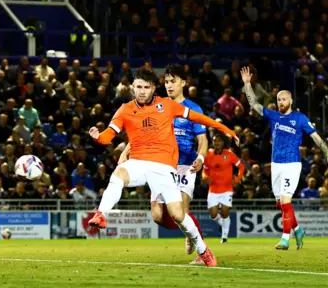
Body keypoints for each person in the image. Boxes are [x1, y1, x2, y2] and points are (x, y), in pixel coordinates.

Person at [88, 67, 238, 267]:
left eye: (146, 87)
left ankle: (203, 250)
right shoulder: (125, 109)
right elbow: (109, 134)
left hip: (164, 167)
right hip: (139, 162)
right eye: (138, 87)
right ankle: (101, 213)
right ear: (133, 87)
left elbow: (198, 118)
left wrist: (224, 129)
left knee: (177, 214)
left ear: (153, 89)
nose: (141, 91)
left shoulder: (167, 105)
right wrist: (98, 137)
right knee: (118, 174)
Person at [120, 64, 209, 260]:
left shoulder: (194, 109)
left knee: (181, 210)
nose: (169, 85)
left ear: (183, 83)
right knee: (158, 216)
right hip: (160, 164)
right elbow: (140, 134)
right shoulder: (156, 106)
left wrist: (201, 157)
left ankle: (200, 248)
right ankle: (189, 230)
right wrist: (126, 152)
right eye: (166, 82)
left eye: (173, 81)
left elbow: (202, 139)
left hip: (185, 165)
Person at [241, 67, 328, 250]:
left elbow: (315, 137)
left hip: (292, 164)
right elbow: (255, 105)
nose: (281, 102)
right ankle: (297, 229)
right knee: (280, 202)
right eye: (279, 99)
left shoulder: (299, 118)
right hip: (276, 164)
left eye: (284, 99)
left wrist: (326, 151)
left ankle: (285, 239)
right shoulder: (274, 116)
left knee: (286, 200)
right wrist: (247, 84)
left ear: (291, 100)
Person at [202, 134, 245, 244]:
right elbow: (205, 170)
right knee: (213, 214)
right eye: (215, 141)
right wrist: (205, 177)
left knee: (225, 212)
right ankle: (223, 224)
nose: (217, 143)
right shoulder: (209, 155)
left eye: (219, 141)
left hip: (227, 189)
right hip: (213, 189)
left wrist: (237, 179)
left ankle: (224, 237)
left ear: (223, 143)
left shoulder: (229, 154)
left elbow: (241, 167)